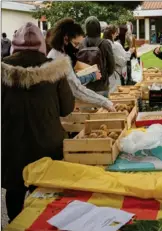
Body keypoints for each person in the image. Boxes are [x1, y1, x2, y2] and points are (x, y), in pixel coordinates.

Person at [1, 22, 74, 222]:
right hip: (47, 146)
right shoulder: (55, 69)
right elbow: (67, 108)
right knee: (45, 199)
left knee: (15, 192)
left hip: (13, 145)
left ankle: (15, 224)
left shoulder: (2, 70)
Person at [47, 18, 114, 110]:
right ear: (66, 39)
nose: (77, 48)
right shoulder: (59, 59)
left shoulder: (56, 54)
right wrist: (105, 102)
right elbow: (76, 88)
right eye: (75, 44)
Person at [79, 16, 115, 96]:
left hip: (85, 87)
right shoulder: (105, 44)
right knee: (103, 108)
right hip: (102, 86)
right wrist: (103, 75)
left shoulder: (81, 44)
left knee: (87, 108)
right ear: (98, 28)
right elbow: (111, 66)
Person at [103, 25, 134, 92]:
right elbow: (122, 61)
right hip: (113, 75)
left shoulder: (102, 43)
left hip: (104, 76)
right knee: (114, 95)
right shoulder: (114, 46)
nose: (117, 35)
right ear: (112, 34)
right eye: (116, 33)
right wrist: (129, 52)